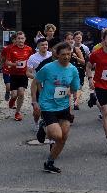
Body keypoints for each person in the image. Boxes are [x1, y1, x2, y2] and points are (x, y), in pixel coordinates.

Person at [32, 42, 81, 173]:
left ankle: (49, 162)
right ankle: (44, 126)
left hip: (64, 106)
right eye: (63, 54)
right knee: (57, 136)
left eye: (69, 54)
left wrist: (76, 96)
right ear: (57, 55)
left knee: (63, 137)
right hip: (48, 106)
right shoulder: (48, 68)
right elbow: (35, 82)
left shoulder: (73, 69)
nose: (66, 57)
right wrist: (35, 101)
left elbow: (76, 88)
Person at [2, 31, 33, 122]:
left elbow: (32, 60)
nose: (20, 40)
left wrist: (30, 69)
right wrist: (15, 64)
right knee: (14, 94)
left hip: (23, 74)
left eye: (22, 38)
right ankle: (12, 100)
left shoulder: (29, 49)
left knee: (21, 93)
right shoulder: (11, 49)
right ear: (16, 39)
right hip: (14, 75)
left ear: (25, 39)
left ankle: (18, 112)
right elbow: (7, 62)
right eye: (19, 38)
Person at [27, 38, 52, 131]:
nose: (45, 46)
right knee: (37, 109)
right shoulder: (33, 58)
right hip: (37, 85)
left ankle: (47, 121)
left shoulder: (51, 55)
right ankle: (36, 122)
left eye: (46, 44)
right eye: (42, 45)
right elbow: (28, 72)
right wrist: (36, 77)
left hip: (49, 86)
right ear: (38, 46)